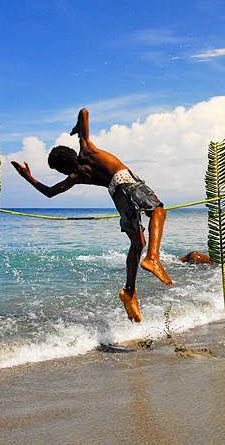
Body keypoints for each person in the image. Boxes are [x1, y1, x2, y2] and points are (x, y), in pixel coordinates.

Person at [11, 108, 173, 323]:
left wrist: (28, 177)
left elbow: (49, 192)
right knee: (158, 210)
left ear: (63, 169)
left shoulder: (75, 176)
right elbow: (84, 111)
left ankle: (129, 292)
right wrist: (80, 130)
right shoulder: (87, 150)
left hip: (116, 195)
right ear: (73, 152)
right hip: (126, 182)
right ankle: (153, 258)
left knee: (137, 243)